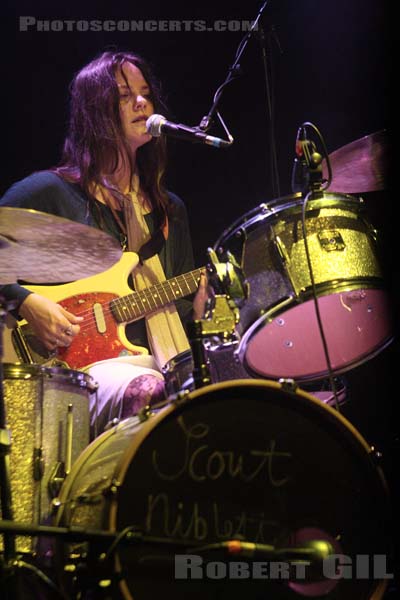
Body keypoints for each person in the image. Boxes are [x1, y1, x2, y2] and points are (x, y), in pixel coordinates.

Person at [0, 50, 208, 437]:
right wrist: (26, 301)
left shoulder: (170, 212)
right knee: (152, 390)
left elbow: (179, 313)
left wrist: (200, 308)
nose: (142, 103)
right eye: (125, 96)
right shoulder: (52, 193)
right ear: (95, 112)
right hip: (73, 376)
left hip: (152, 363)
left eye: (145, 93)